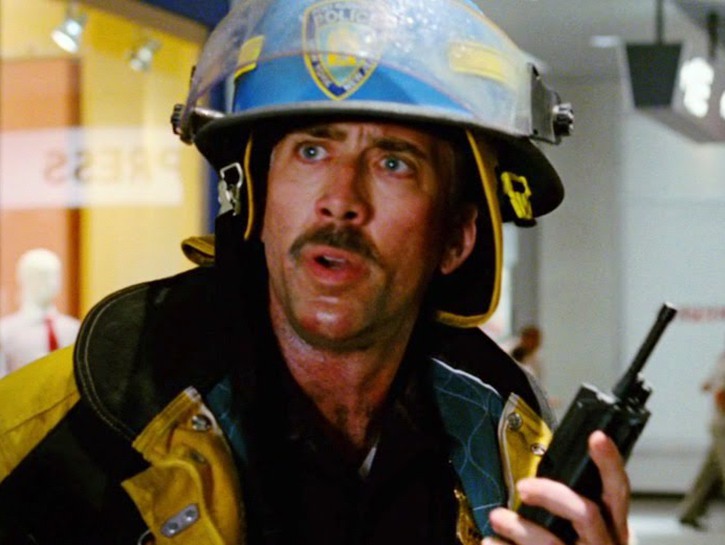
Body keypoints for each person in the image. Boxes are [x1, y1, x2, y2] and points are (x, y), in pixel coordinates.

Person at [0, 1, 631, 544]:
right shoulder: (56, 433)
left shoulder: (510, 447)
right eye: (311, 150)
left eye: (393, 163)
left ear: (457, 238)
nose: (340, 200)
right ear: (256, 199)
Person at [0, 248, 80, 377]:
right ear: (23, 278)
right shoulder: (5, 332)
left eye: (55, 275)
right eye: (41, 276)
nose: (50, 283)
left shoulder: (74, 329)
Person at [678, 338, 725, 529]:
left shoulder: (721, 359)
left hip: (718, 425)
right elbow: (720, 394)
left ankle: (689, 512)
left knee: (710, 473)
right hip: (723, 426)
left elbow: (706, 386)